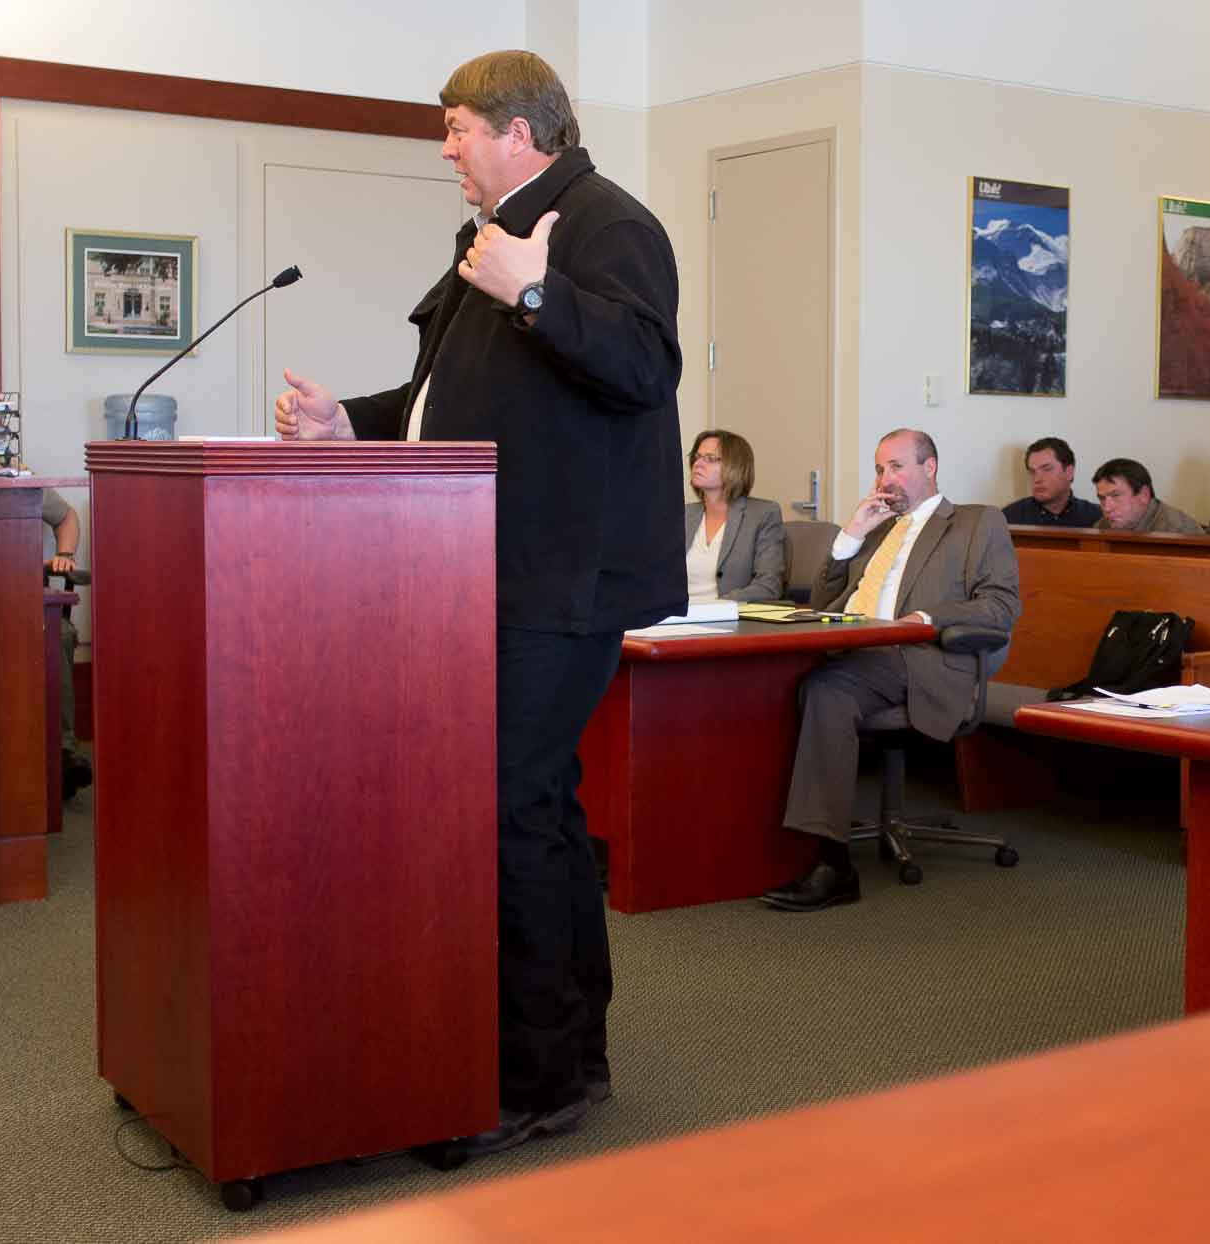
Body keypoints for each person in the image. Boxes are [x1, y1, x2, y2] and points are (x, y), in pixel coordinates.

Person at [274, 50, 685, 1153]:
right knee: (535, 805)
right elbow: (442, 401)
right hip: (490, 573)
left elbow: (646, 367)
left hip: (562, 579)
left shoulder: (605, 221)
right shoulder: (492, 239)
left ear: (518, 129)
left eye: (455, 125)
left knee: (508, 808)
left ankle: (533, 1078)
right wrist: (347, 424)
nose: (444, 145)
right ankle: (572, 1056)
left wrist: (537, 291)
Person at [762, 429, 1019, 913]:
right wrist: (851, 534)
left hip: (918, 655)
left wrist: (927, 619)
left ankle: (833, 863)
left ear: (930, 467)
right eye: (879, 469)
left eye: (897, 467)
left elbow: (1001, 606)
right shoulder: (878, 529)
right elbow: (822, 602)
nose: (885, 480)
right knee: (762, 683)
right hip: (854, 646)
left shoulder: (975, 523)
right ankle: (756, 846)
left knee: (827, 691)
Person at [684, 429, 785, 602]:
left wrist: (717, 607)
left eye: (710, 458)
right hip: (673, 618)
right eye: (697, 457)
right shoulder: (684, 515)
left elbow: (768, 586)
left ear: (734, 466)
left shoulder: (763, 514)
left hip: (726, 620)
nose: (698, 464)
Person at [42, 490, 91, 799]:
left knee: (58, 633)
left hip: (24, 591)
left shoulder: (12, 475)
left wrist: (66, 555)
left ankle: (63, 753)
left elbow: (66, 516)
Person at [1002, 436, 1102, 528]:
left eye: (1046, 469)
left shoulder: (1099, 518)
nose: (1037, 479)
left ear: (1069, 472)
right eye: (1032, 472)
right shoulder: (1009, 518)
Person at [1092, 458, 1201, 534]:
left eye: (1116, 496)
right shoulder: (1104, 525)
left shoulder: (1178, 531)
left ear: (1143, 495)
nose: (1107, 508)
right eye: (1102, 498)